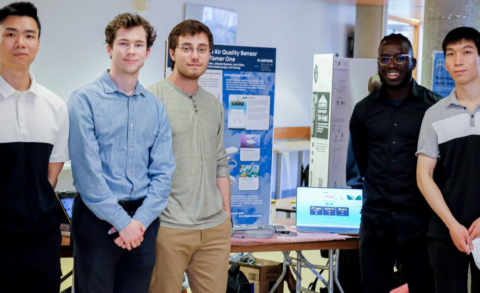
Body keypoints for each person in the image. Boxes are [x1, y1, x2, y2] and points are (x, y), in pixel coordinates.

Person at [68, 13, 175, 293]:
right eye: (123, 43)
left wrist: (138, 222)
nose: (131, 51)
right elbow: (87, 173)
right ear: (109, 49)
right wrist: (122, 222)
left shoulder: (156, 108)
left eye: (138, 45)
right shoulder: (84, 100)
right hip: (96, 219)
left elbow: (163, 173)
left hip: (144, 221)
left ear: (148, 52)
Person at [349, 33, 441, 293]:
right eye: (385, 58)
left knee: (424, 286)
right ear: (378, 63)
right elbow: (362, 159)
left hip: (420, 221)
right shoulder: (363, 111)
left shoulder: (433, 107)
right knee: (372, 287)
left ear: (412, 62)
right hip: (376, 220)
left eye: (400, 58)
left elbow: (441, 167)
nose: (392, 64)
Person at [148, 20, 231, 293]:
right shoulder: (151, 99)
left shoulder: (214, 105)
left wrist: (226, 216)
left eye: (202, 49)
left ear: (209, 54)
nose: (195, 55)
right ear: (172, 53)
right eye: (187, 48)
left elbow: (220, 161)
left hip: (214, 229)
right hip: (168, 227)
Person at [0, 2, 69, 292]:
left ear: (38, 44)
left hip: (40, 241)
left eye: (29, 35)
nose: (20, 43)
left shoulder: (55, 106)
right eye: (10, 33)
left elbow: (50, 178)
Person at [417, 26, 480, 293]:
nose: (458, 60)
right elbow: (424, 176)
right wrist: (452, 224)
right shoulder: (435, 114)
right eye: (451, 54)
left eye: (467, 52)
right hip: (445, 231)